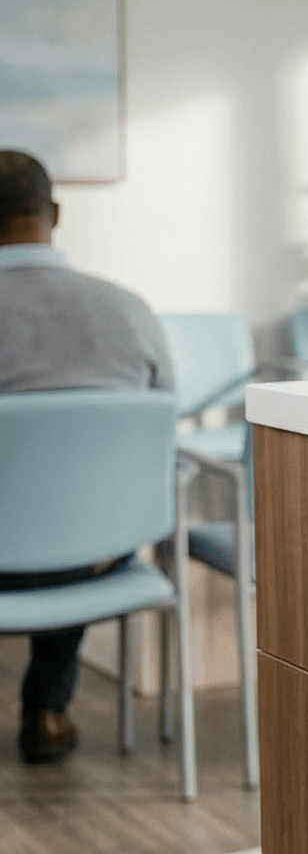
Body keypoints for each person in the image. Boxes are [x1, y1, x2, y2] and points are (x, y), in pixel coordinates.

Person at [0, 150, 175, 765]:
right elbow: (163, 435)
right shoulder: (129, 312)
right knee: (69, 512)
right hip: (94, 564)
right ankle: (47, 711)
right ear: (54, 213)